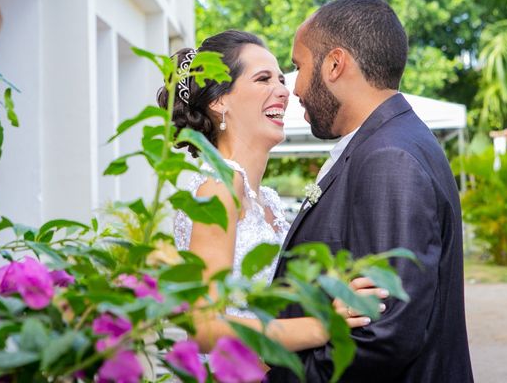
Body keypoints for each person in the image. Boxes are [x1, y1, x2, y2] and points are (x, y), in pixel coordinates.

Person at [267, 0, 474, 382]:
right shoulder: (393, 140)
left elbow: (383, 333)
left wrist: (281, 375)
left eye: (298, 67)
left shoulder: (389, 156)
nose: (293, 89)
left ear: (334, 64)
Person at [157, 30, 385, 354]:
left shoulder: (268, 199)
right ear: (219, 100)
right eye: (263, 79)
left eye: (280, 79)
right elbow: (205, 326)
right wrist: (322, 325)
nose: (283, 91)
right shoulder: (218, 189)